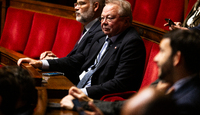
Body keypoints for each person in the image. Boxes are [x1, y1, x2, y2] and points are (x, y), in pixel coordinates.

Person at [18, 0, 146, 99]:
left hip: (96, 97)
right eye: (102, 18)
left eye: (110, 18)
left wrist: (82, 92)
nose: (104, 22)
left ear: (126, 21)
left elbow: (120, 83)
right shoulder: (103, 35)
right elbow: (77, 59)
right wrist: (41, 63)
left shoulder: (131, 43)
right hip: (79, 86)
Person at [60, 29, 200, 115]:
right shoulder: (165, 82)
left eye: (162, 52)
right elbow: (124, 106)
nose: (156, 58)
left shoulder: (188, 103)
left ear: (177, 58)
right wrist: (87, 102)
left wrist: (81, 105)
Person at [40, 0, 105, 61]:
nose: (76, 8)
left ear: (95, 6)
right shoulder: (88, 28)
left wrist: (54, 62)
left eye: (82, 4)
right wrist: (55, 59)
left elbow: (80, 64)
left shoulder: (100, 32)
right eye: (76, 4)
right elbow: (76, 60)